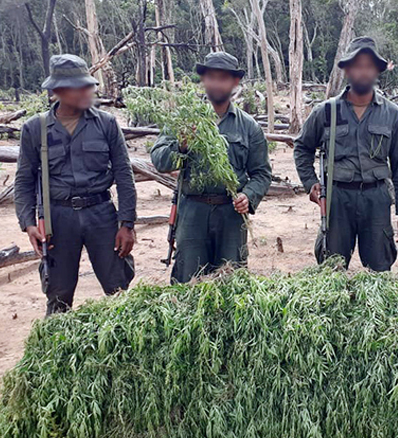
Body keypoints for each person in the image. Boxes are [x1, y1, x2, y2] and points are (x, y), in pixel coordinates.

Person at [14, 54, 136, 315]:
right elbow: (24, 180)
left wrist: (127, 224)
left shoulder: (106, 123)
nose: (87, 92)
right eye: (79, 87)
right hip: (58, 219)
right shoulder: (35, 128)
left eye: (88, 86)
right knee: (58, 295)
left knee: (118, 290)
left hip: (101, 214)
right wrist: (28, 224)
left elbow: (124, 174)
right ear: (58, 91)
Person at [294, 36, 398, 271]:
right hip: (338, 199)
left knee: (379, 270)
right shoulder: (326, 111)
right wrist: (311, 184)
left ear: (377, 71)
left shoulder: (393, 114)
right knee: (332, 270)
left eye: (369, 66)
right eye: (357, 66)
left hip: (377, 199)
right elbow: (302, 147)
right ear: (347, 70)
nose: (363, 72)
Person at [151, 51, 271, 283]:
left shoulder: (248, 126)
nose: (217, 83)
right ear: (203, 79)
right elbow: (159, 159)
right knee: (188, 280)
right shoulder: (184, 119)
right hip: (192, 212)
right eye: (211, 77)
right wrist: (182, 146)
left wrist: (249, 196)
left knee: (231, 282)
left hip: (231, 215)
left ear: (235, 82)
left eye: (223, 78)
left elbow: (262, 173)